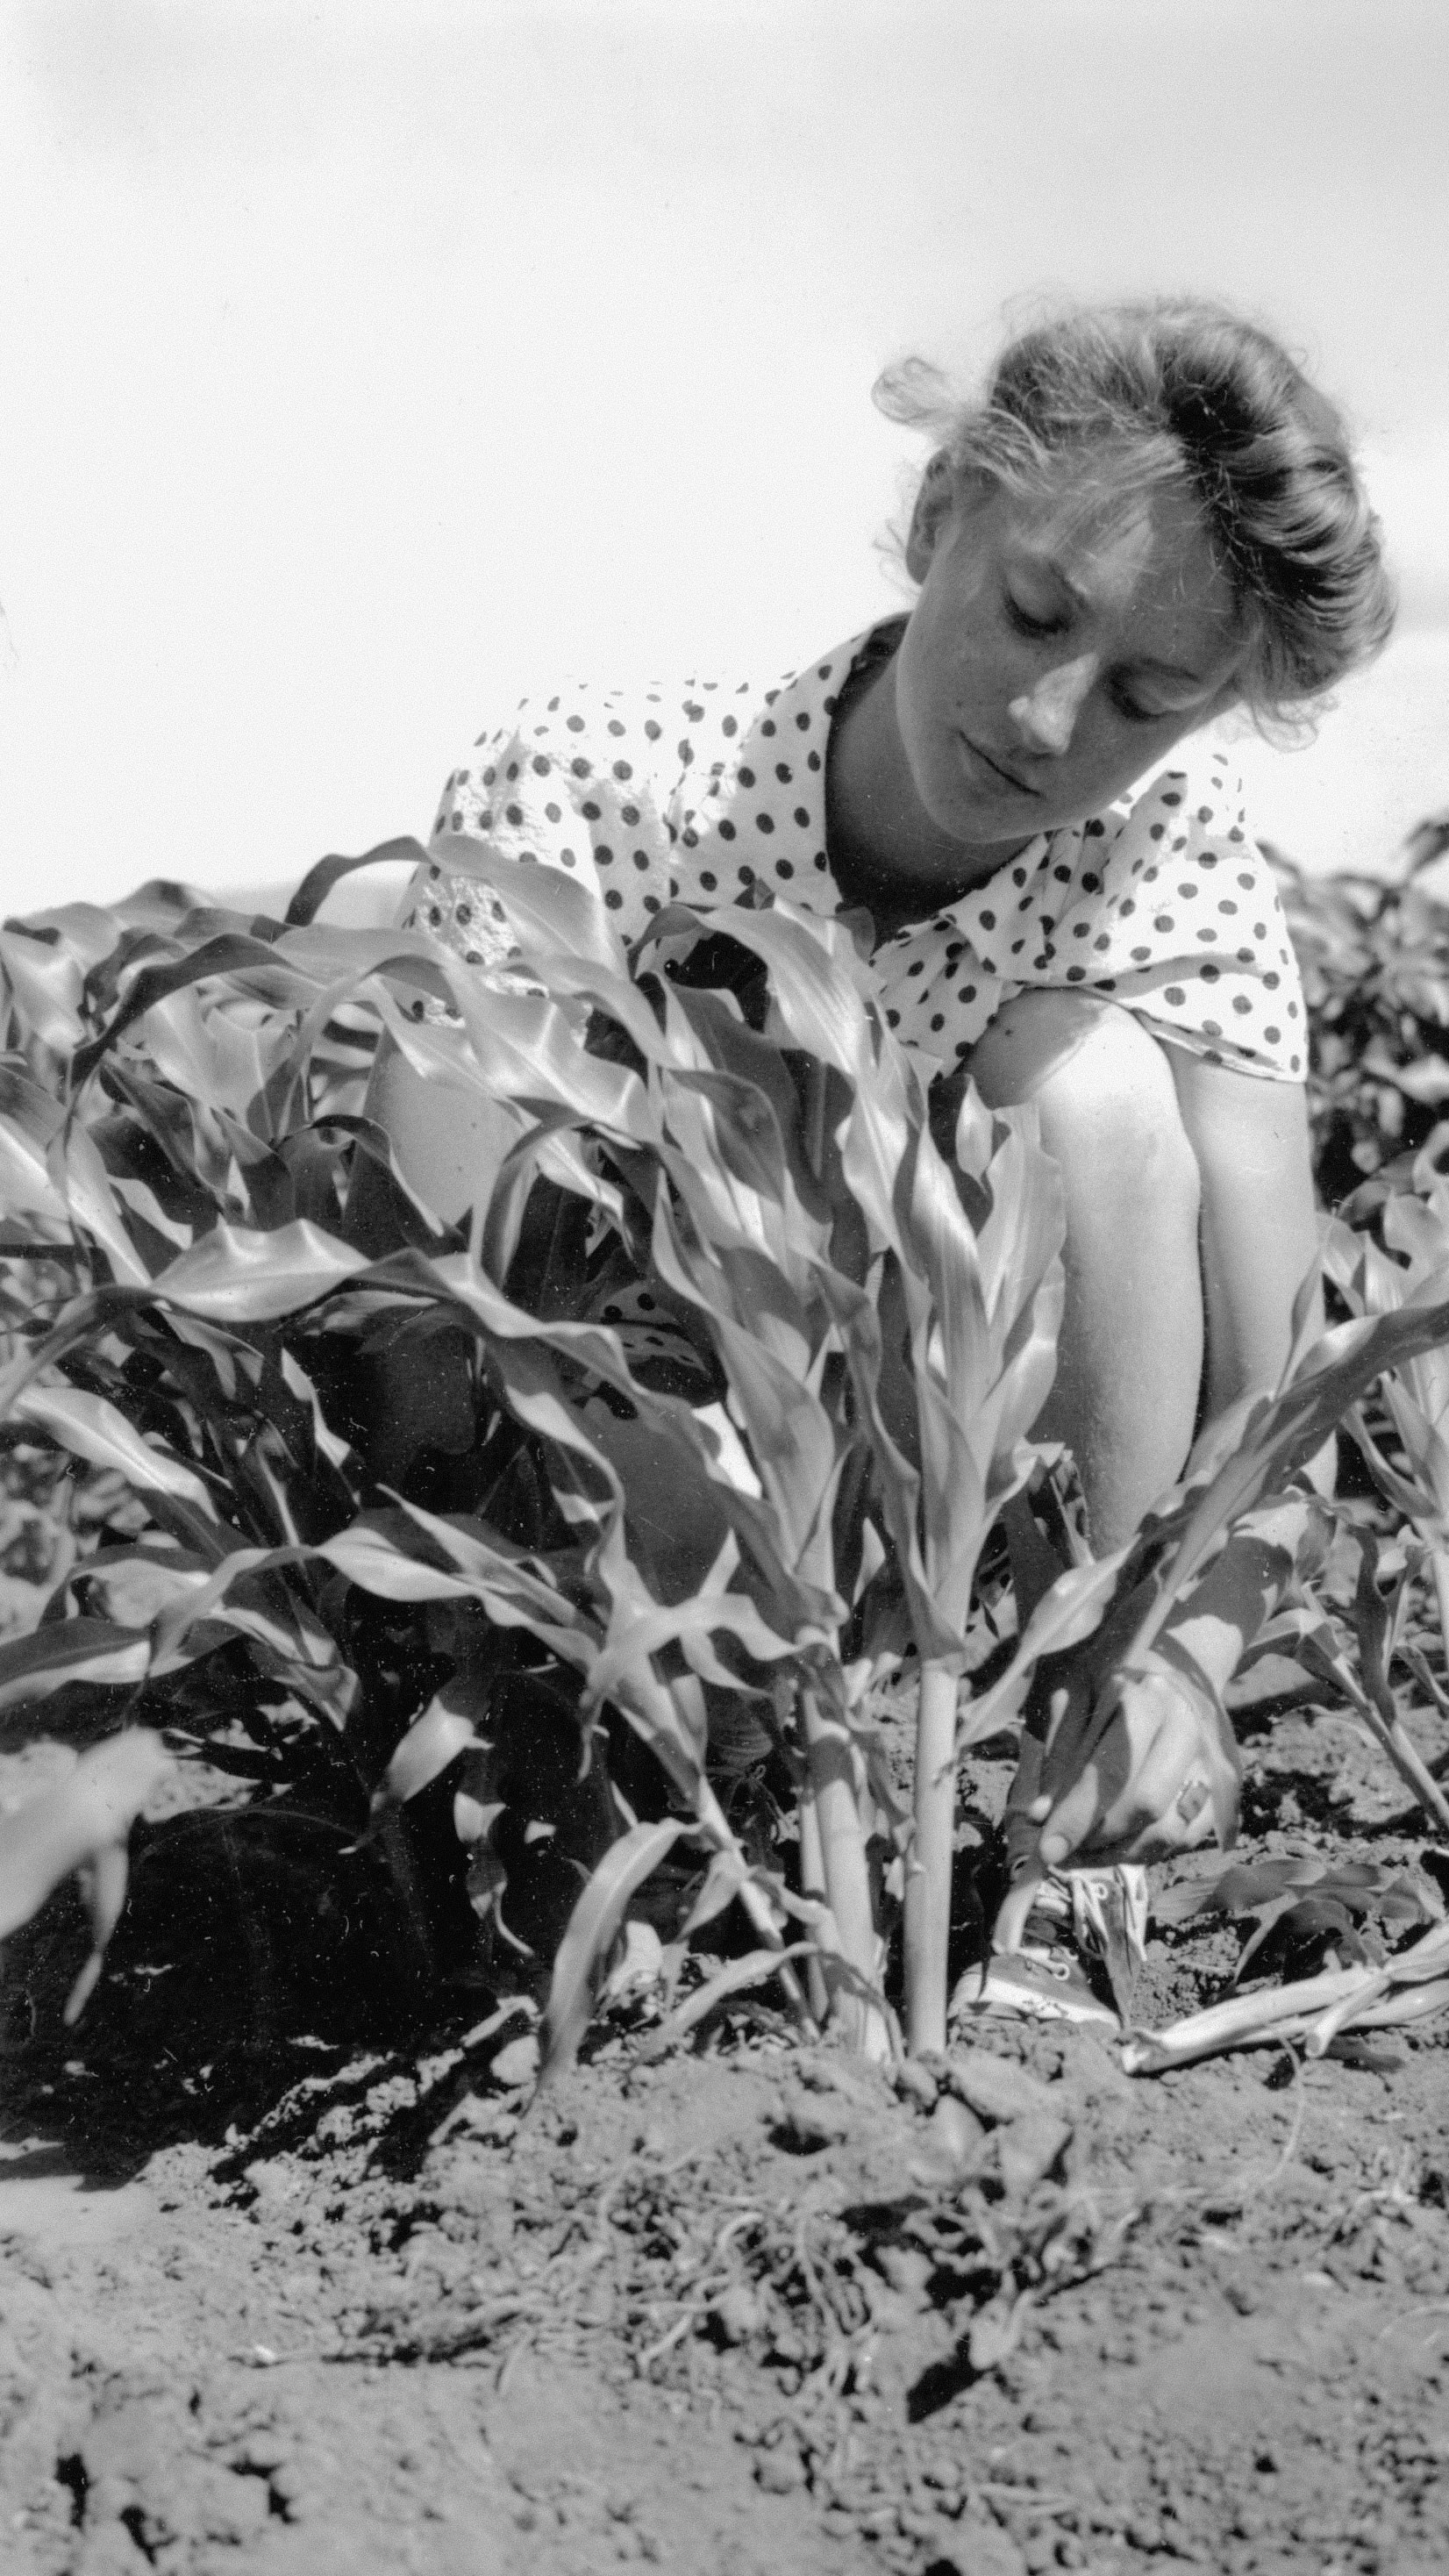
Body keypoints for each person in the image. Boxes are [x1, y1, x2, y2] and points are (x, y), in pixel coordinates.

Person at [370, 297, 1394, 2014]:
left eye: (1148, 694)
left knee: (1095, 1084)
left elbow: (1278, 1411)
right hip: (646, 1523)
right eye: (1034, 612)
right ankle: (650, 1806)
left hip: (985, 1565)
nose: (1057, 720)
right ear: (944, 522)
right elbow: (419, 1338)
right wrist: (461, 1683)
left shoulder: (1181, 871)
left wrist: (1189, 1670)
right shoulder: (600, 791)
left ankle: (1081, 1866)